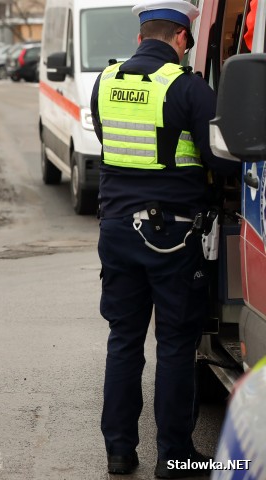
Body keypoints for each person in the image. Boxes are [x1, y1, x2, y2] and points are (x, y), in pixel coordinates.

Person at [90, 1, 240, 478]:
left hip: (116, 228)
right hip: (173, 234)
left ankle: (119, 451)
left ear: (140, 37)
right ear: (182, 39)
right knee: (175, 344)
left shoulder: (106, 82)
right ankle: (173, 457)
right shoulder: (188, 87)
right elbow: (224, 159)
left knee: (124, 340)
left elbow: (109, 142)